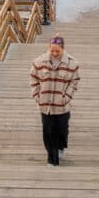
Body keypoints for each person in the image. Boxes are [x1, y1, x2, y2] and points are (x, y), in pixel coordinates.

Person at [29, 34, 80, 166]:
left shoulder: (72, 64)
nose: (55, 53)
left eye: (57, 51)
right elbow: (33, 78)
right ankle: (52, 159)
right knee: (48, 131)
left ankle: (61, 145)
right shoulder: (39, 62)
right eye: (52, 50)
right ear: (48, 48)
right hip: (45, 105)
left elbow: (74, 82)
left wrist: (66, 97)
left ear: (63, 49)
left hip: (62, 106)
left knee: (62, 130)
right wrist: (37, 96)